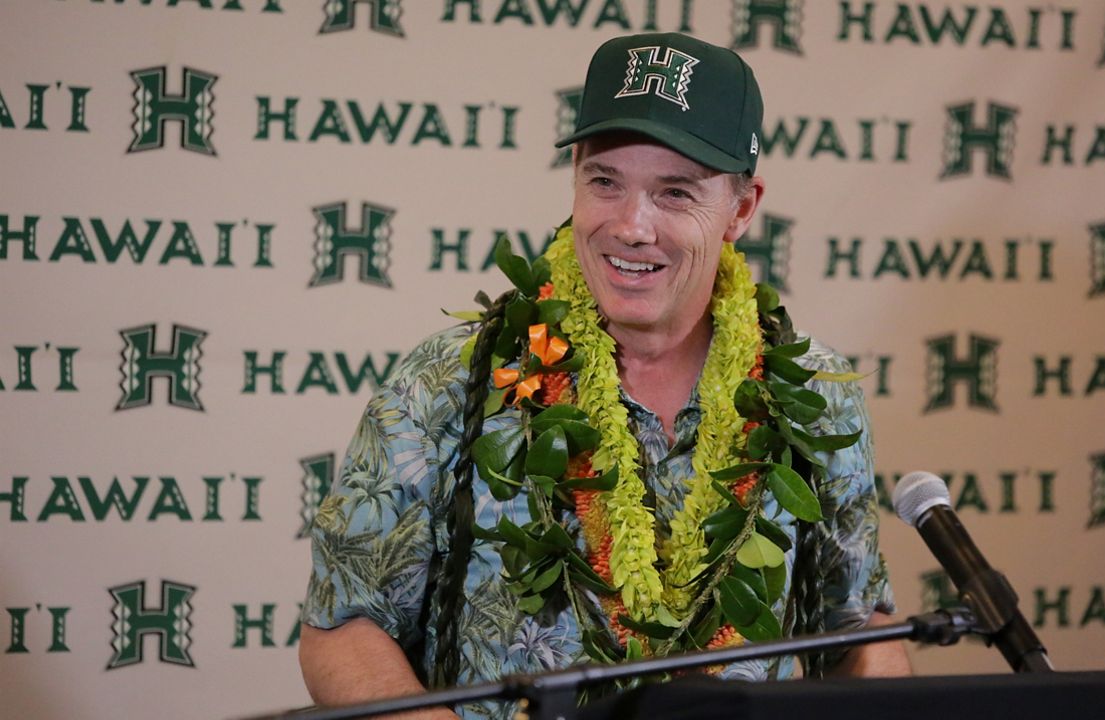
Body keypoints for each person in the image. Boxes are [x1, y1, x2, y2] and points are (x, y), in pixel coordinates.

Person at [299, 32, 911, 719]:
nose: (631, 226)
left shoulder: (811, 394)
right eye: (605, 182)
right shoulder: (451, 380)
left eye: (675, 192)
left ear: (741, 208)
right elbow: (344, 627)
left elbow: (858, 632)